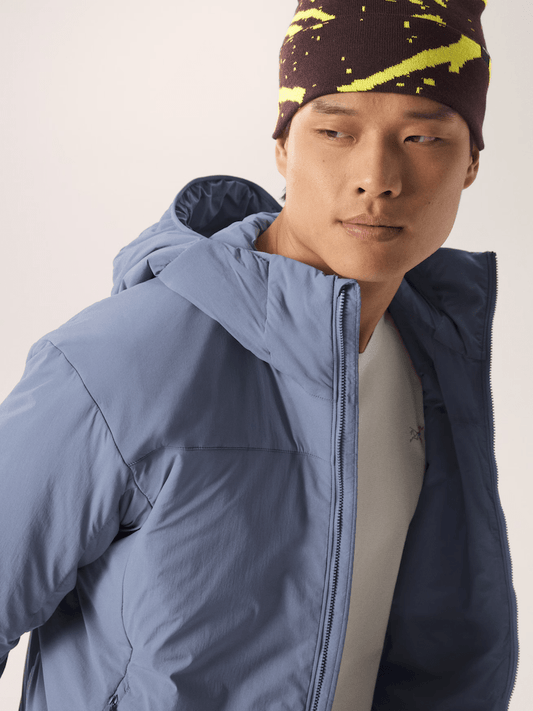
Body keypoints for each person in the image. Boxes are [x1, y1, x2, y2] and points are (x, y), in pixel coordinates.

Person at [0, 1, 518, 709]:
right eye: (335, 131)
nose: (376, 176)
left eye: (423, 136)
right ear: (282, 147)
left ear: (471, 164)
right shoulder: (114, 363)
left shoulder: (439, 360)